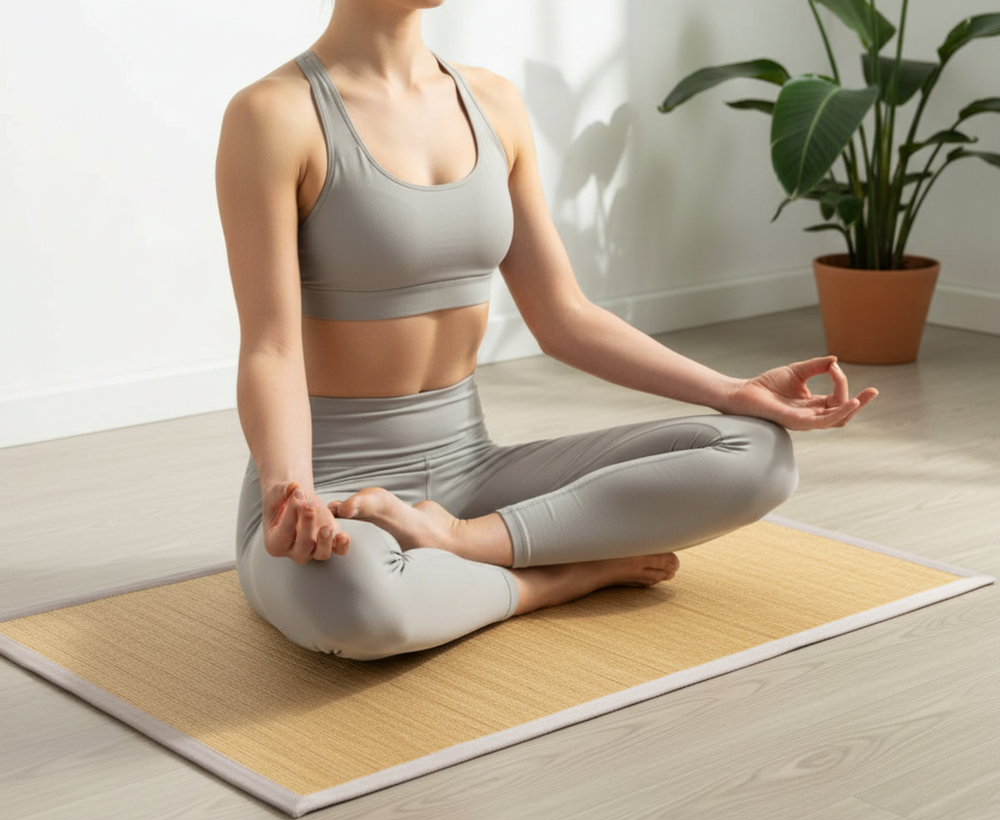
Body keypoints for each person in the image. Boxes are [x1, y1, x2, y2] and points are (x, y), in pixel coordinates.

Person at [215, 0, 877, 661]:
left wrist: (734, 392)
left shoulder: (493, 103)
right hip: (332, 476)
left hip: (470, 470)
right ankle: (552, 580)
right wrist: (288, 488)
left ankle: (468, 545)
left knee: (758, 454)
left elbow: (565, 317)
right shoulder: (273, 115)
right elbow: (270, 348)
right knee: (360, 604)